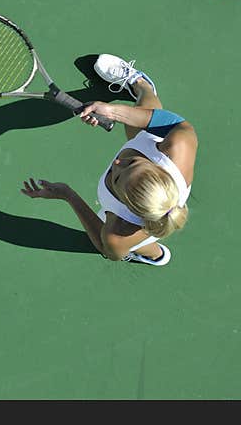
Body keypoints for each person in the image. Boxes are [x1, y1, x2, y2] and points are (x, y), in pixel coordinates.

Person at [21, 54, 198, 266]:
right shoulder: (179, 146)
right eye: (131, 163)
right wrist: (112, 112)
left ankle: (152, 254)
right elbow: (173, 122)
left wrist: (69, 195)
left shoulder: (118, 231)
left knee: (139, 243)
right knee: (139, 119)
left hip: (137, 231)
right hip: (155, 180)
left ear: (127, 206)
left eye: (116, 178)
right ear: (157, 167)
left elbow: (107, 248)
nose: (117, 163)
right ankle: (142, 85)